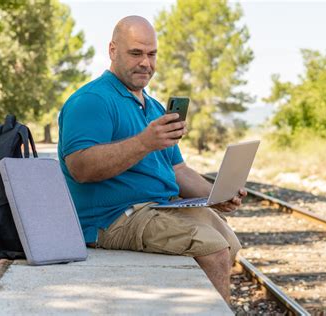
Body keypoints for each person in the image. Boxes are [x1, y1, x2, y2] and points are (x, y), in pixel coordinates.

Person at [58, 15, 246, 303]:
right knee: (213, 248)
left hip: (159, 208)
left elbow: (178, 170)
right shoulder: (92, 100)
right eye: (136, 53)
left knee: (229, 241)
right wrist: (144, 142)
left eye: (151, 54)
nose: (146, 63)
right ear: (112, 51)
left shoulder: (155, 107)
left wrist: (217, 195)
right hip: (113, 218)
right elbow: (81, 167)